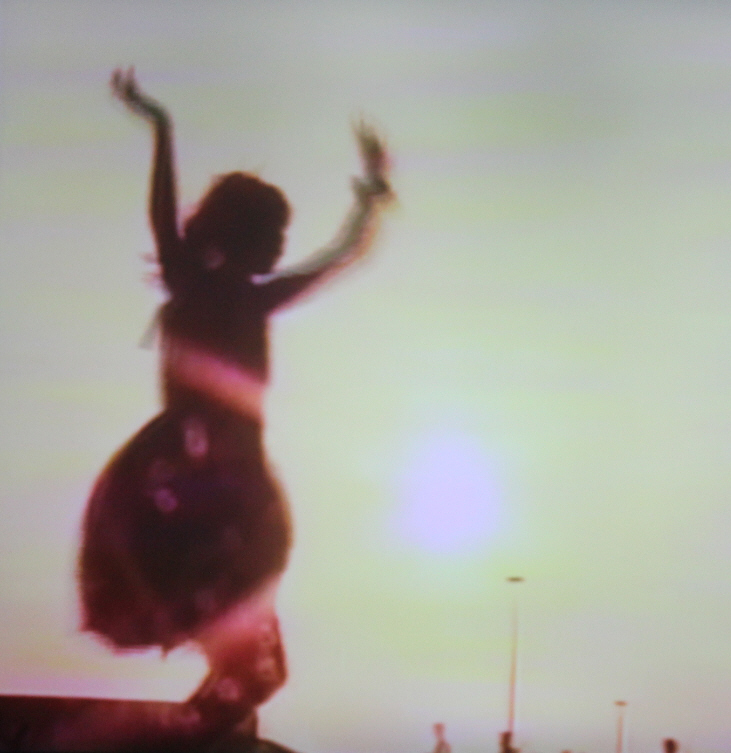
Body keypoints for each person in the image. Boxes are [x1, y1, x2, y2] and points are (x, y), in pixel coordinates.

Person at [78, 68, 392, 743]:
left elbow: (337, 255)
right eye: (273, 236)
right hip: (202, 484)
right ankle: (170, 730)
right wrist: (161, 127)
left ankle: (182, 728)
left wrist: (370, 196)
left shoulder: (231, 292)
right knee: (254, 666)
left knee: (259, 673)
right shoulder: (215, 288)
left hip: (219, 480)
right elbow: (165, 211)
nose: (281, 248)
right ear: (242, 234)